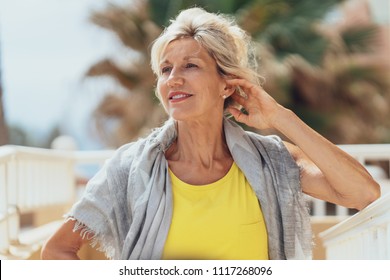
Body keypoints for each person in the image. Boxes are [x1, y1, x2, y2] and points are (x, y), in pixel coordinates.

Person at [41, 7, 380, 260]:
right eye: (165, 69)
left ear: (225, 83)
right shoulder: (130, 168)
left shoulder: (273, 161)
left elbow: (363, 193)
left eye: (191, 65)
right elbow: (57, 250)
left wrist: (279, 116)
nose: (174, 78)